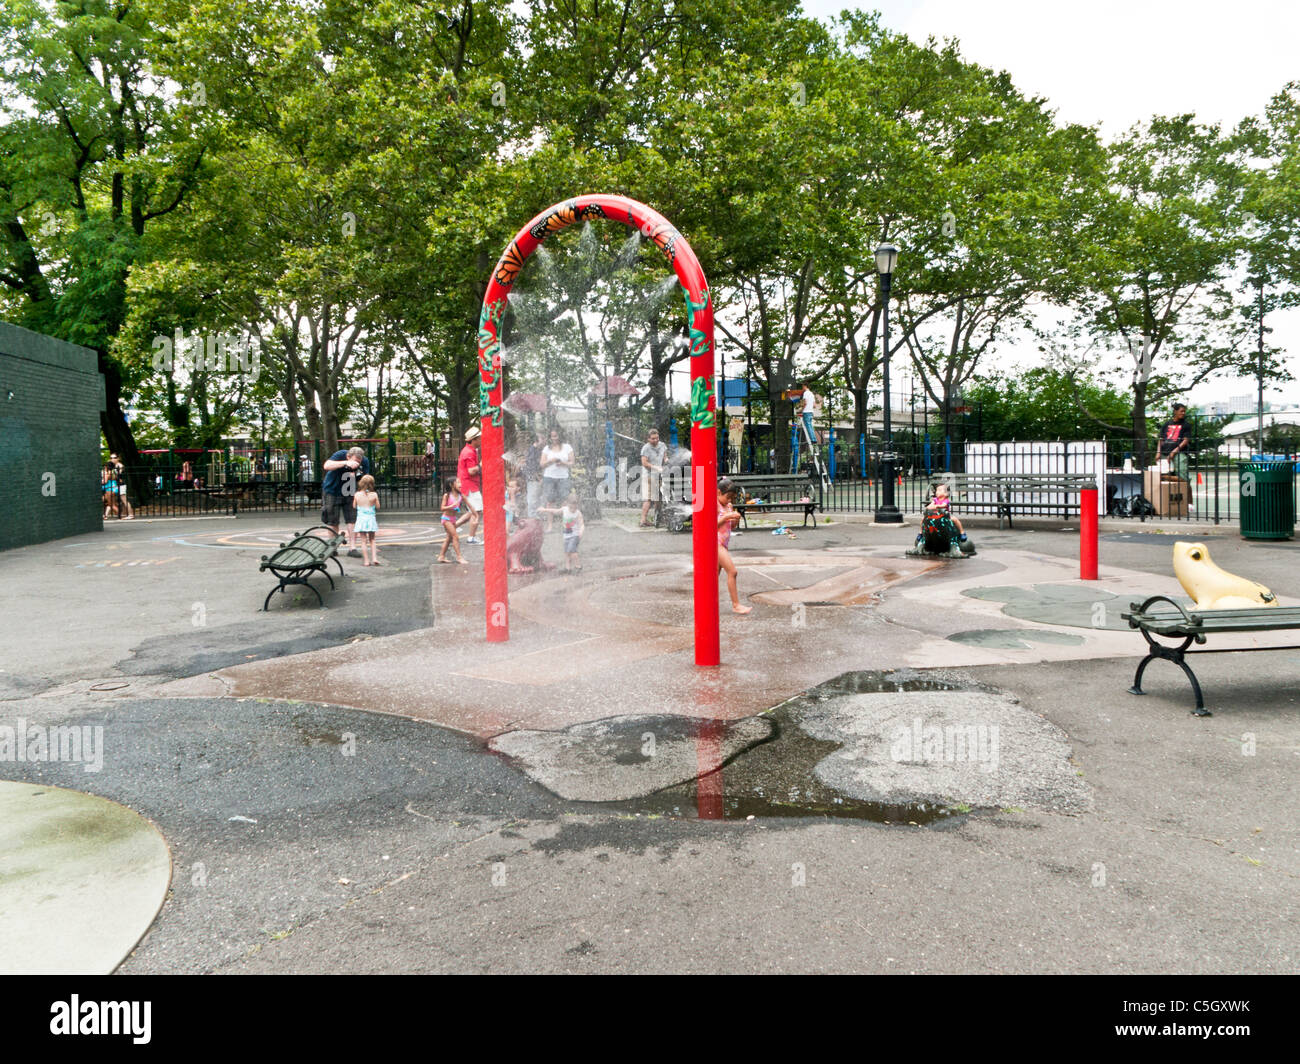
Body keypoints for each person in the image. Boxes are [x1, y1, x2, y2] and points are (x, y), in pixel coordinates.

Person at [321, 445, 370, 557]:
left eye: (359, 461)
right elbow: (326, 465)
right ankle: (332, 547)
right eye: (355, 461)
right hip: (332, 490)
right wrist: (345, 463)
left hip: (350, 491)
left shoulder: (364, 461)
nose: (357, 463)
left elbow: (365, 479)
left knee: (352, 519)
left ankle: (352, 548)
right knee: (332, 520)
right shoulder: (340, 455)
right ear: (348, 456)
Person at [716, 478, 752, 615]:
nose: (730, 501)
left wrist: (734, 520)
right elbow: (709, 526)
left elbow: (730, 526)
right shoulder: (714, 505)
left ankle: (708, 604)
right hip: (715, 542)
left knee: (714, 576)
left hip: (724, 544)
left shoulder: (728, 506)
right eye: (728, 497)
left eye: (732, 498)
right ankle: (736, 605)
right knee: (732, 572)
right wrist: (726, 517)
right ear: (718, 492)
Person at [539, 491, 584, 573]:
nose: (573, 509)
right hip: (566, 536)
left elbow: (582, 524)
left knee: (572, 551)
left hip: (574, 536)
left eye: (575, 507)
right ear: (567, 504)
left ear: (577, 505)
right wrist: (545, 509)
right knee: (566, 552)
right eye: (571, 507)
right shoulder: (565, 509)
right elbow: (555, 511)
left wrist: (581, 531)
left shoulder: (578, 513)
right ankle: (568, 568)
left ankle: (578, 566)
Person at [539, 427, 574, 532]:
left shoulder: (567, 447)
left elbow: (572, 462)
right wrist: (551, 461)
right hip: (549, 477)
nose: (554, 438)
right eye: (552, 436)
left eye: (556, 436)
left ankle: (567, 525)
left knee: (565, 501)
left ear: (560, 436)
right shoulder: (546, 448)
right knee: (550, 502)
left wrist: (563, 463)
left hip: (563, 477)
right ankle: (550, 526)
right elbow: (541, 464)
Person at [457, 426, 483, 544]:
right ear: (474, 440)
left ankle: (453, 526)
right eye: (479, 438)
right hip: (470, 486)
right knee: (476, 512)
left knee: (471, 511)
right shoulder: (469, 452)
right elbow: (471, 471)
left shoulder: (468, 450)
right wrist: (482, 464)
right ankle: (471, 538)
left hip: (467, 485)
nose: (481, 440)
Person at [1156, 403, 1193, 482]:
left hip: (1180, 453)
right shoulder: (1166, 424)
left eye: (1184, 411)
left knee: (1183, 479)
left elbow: (1185, 440)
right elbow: (1161, 439)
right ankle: (1165, 479)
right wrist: (1158, 452)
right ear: (1175, 411)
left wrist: (1173, 452)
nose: (1183, 413)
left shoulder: (1186, 425)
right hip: (1165, 453)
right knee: (1165, 475)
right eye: (1181, 411)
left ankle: (1186, 492)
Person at [639, 428, 668, 527]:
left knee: (659, 499)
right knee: (648, 499)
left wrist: (667, 461)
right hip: (648, 476)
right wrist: (656, 468)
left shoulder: (663, 445)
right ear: (648, 439)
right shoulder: (645, 448)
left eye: (657, 438)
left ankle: (658, 518)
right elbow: (644, 463)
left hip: (659, 476)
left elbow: (665, 458)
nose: (655, 440)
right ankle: (643, 521)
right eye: (653, 439)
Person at [437, 477, 469, 564]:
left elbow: (469, 504)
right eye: (458, 482)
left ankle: (441, 556)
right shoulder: (447, 495)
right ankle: (459, 557)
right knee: (455, 537)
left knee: (448, 538)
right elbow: (442, 508)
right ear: (451, 485)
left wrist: (475, 513)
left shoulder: (459, 496)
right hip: (446, 519)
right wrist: (451, 506)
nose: (460, 484)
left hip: (453, 519)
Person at [353, 474, 381, 566]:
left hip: (361, 520)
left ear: (361, 483)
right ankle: (374, 558)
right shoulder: (374, 494)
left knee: (363, 541)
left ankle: (366, 560)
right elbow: (378, 507)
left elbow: (354, 506)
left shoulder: (357, 494)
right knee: (372, 540)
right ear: (372, 484)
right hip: (371, 519)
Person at [523, 430, 545, 518]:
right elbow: (531, 466)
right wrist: (538, 478)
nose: (544, 441)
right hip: (534, 478)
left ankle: (537, 516)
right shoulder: (532, 450)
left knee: (537, 497)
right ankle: (533, 517)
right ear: (537, 440)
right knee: (533, 498)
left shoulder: (538, 450)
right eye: (542, 439)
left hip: (536, 478)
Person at [110, 454, 134, 519]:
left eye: (114, 457)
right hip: (118, 484)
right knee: (122, 500)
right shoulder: (115, 466)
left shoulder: (120, 466)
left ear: (118, 458)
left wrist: (112, 475)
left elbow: (118, 476)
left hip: (121, 485)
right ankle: (124, 514)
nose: (113, 459)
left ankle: (131, 515)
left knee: (124, 500)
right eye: (111, 458)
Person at [796, 381, 817, 446]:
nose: (802, 388)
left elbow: (805, 403)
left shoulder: (806, 393)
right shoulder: (812, 394)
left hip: (806, 412)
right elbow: (814, 405)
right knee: (810, 426)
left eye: (802, 387)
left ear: (805, 386)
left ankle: (813, 439)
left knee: (808, 426)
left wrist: (801, 410)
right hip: (811, 412)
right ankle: (814, 438)